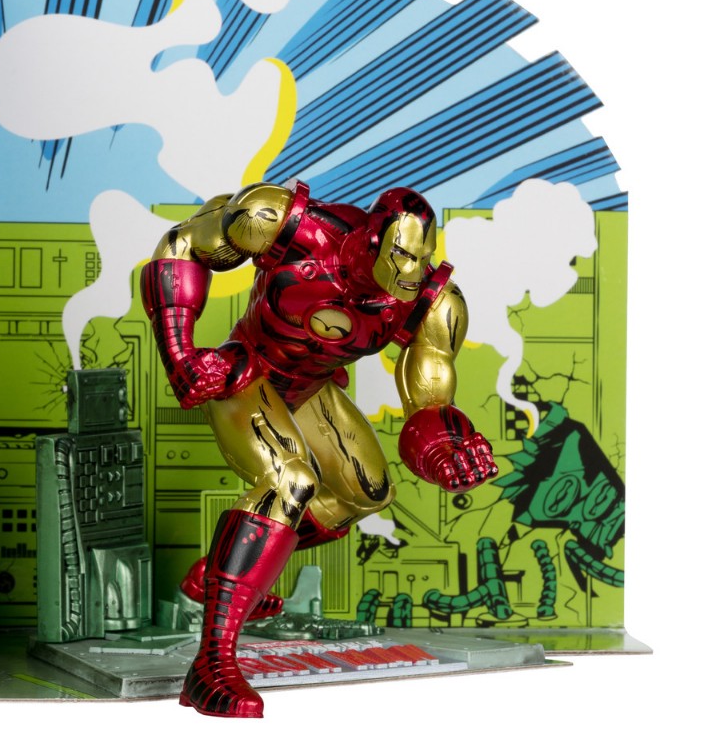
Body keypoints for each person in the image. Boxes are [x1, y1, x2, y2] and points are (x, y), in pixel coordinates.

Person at [141, 180, 497, 717]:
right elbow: (183, 244)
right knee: (292, 482)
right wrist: (180, 355)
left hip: (311, 388)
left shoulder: (431, 302)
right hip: (248, 371)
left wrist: (446, 449)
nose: (411, 271)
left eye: (422, 258)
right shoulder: (290, 226)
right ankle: (210, 664)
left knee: (366, 493)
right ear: (372, 241)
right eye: (402, 255)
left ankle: (221, 573)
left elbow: (428, 399)